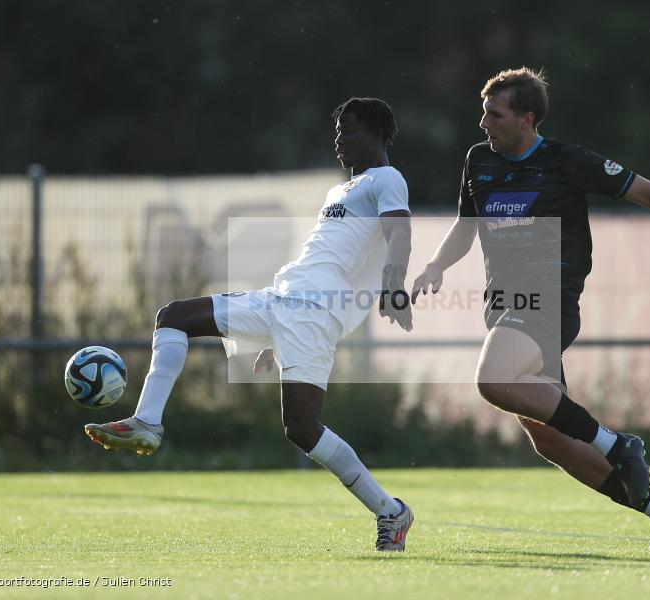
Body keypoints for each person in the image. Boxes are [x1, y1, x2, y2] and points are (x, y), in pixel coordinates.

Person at [411, 67, 650, 549]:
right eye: (484, 113)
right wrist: (436, 265)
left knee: (493, 381)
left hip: (548, 300)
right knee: (551, 439)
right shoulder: (479, 161)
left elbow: (649, 192)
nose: (483, 123)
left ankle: (619, 445)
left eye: (494, 114)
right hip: (503, 308)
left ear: (527, 119)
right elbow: (465, 226)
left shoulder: (565, 161)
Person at [85, 97, 416, 552]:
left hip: (312, 312)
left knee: (302, 428)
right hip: (280, 300)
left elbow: (399, 232)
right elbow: (328, 257)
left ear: (376, 134)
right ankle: (148, 422)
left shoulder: (387, 179)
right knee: (173, 316)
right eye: (338, 131)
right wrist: (272, 336)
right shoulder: (339, 191)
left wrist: (394, 284)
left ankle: (391, 512)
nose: (339, 139)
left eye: (349, 130)